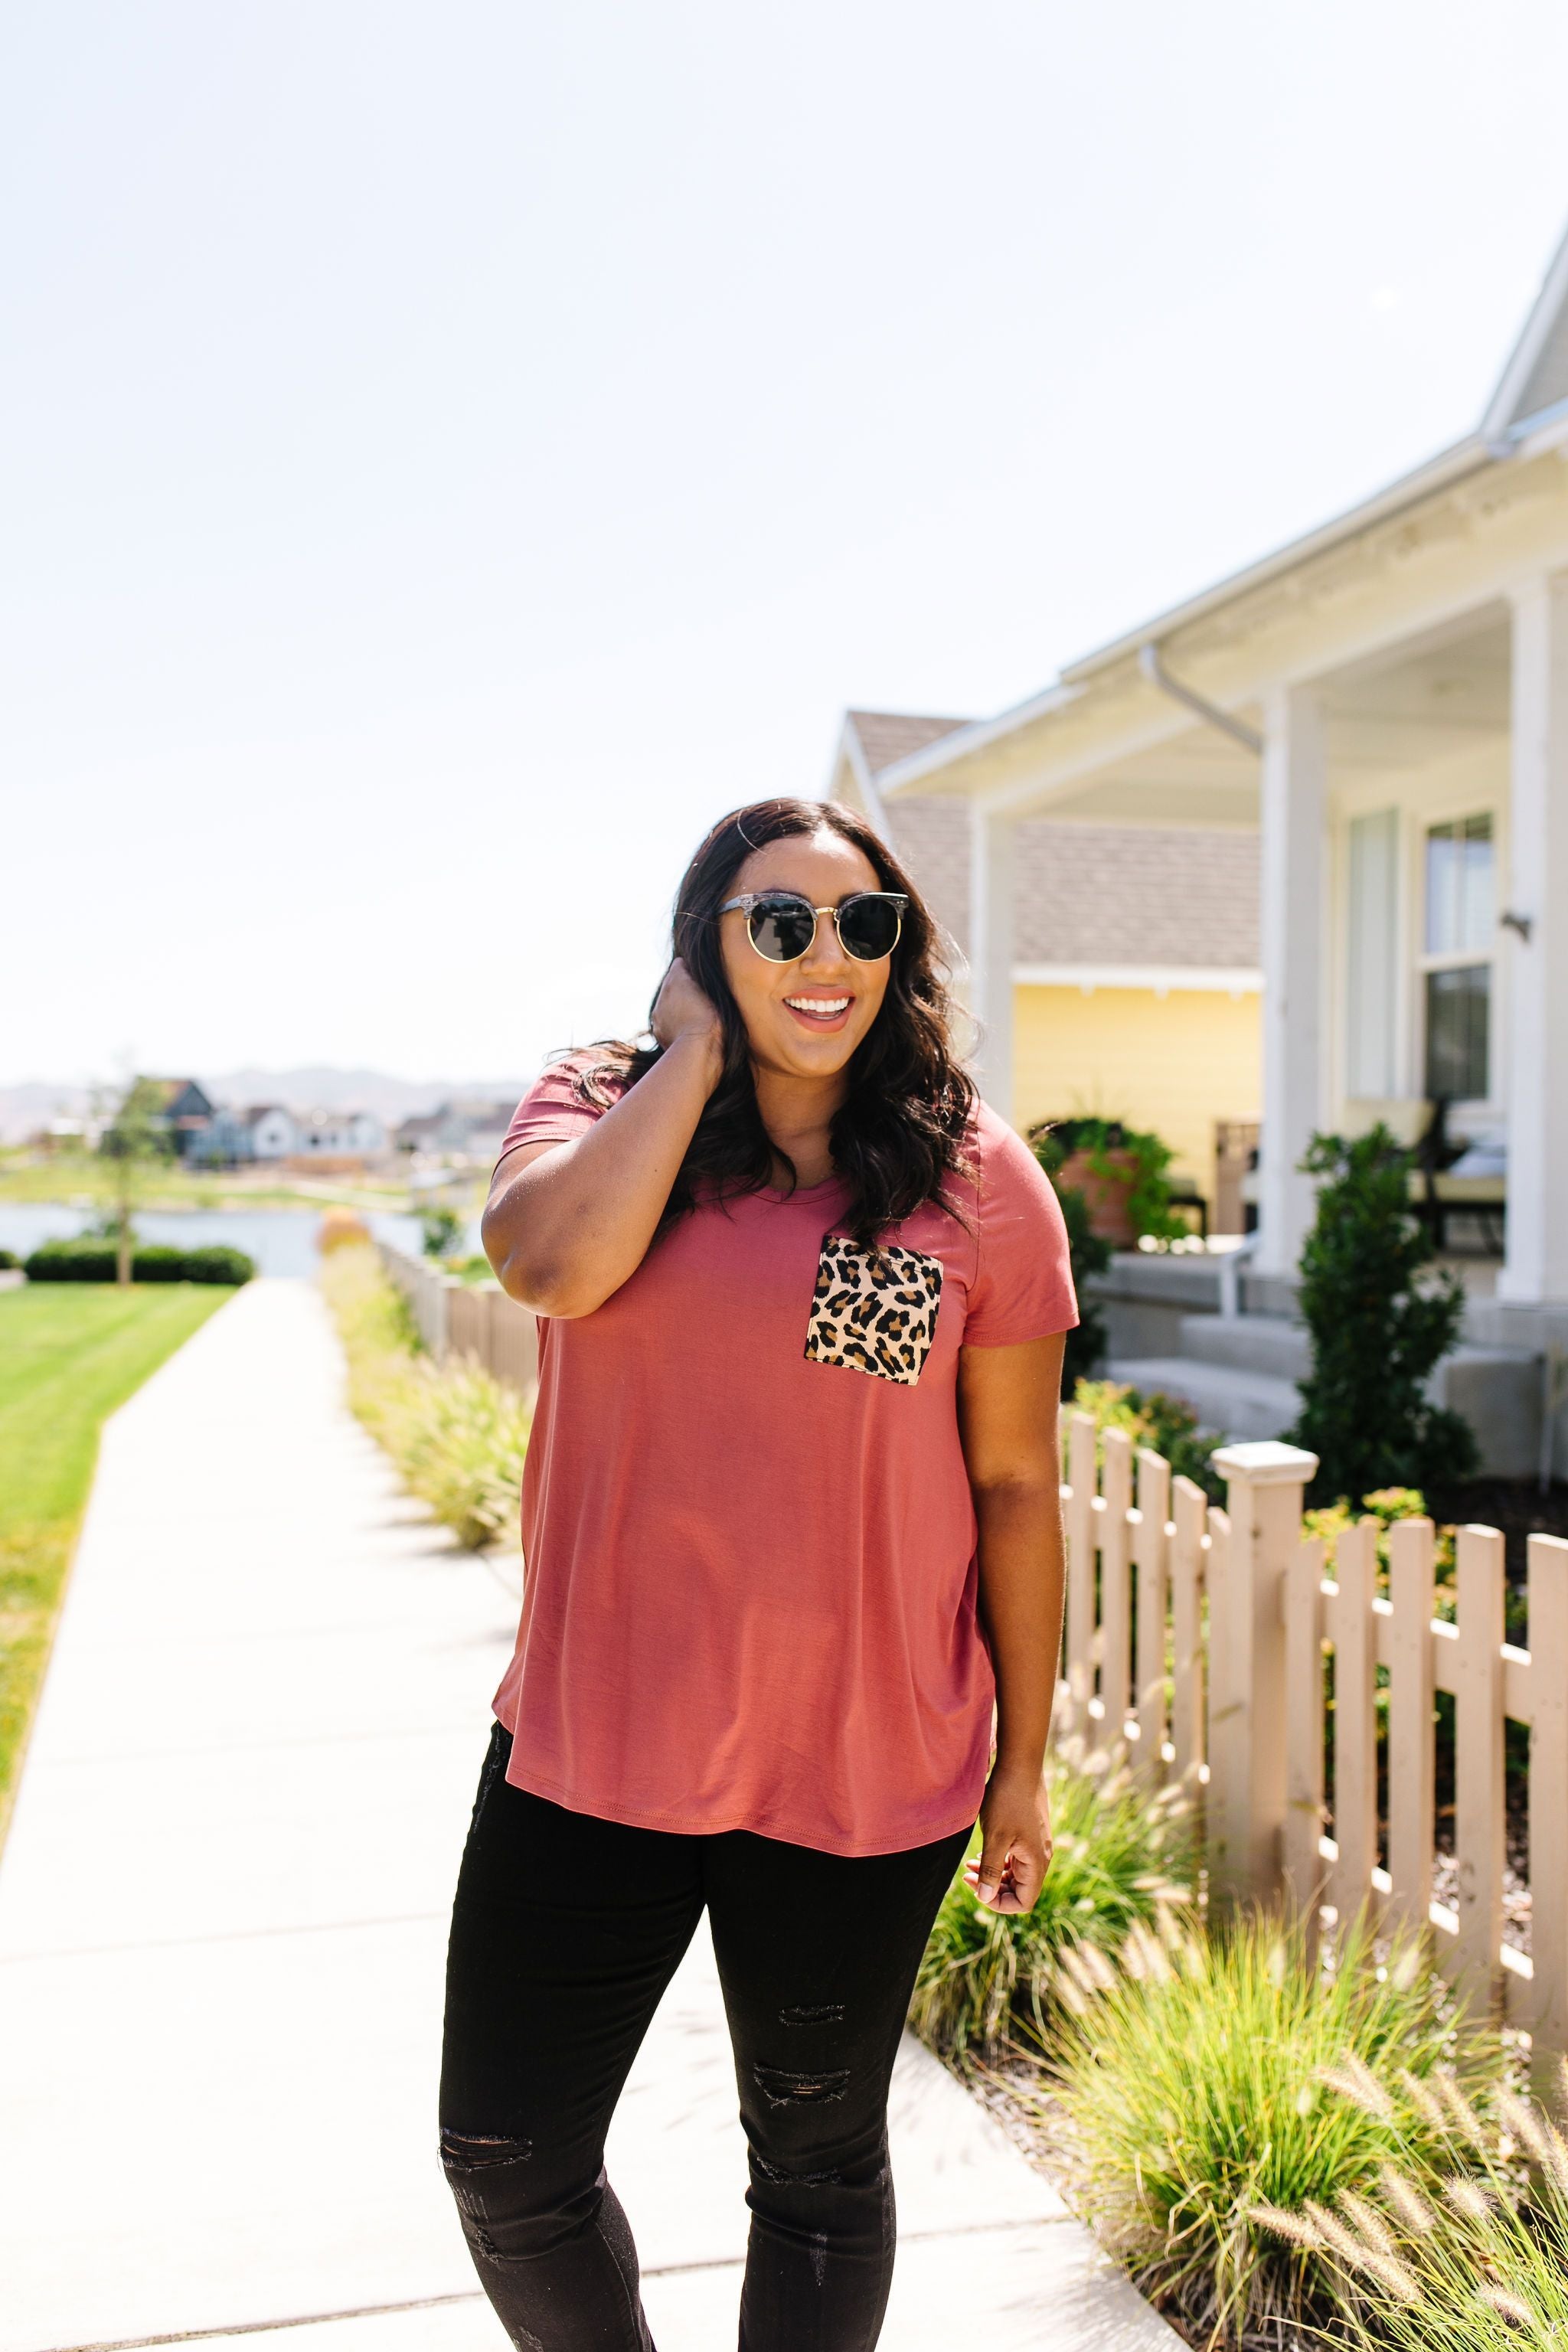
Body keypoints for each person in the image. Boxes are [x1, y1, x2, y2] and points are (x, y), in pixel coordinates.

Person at [440, 797, 1077, 2350]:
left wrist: (1025, 1771)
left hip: (857, 1768)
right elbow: (548, 1267)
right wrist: (692, 1064)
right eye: (774, 922)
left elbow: (1011, 1486)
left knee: (812, 2167)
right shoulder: (598, 1100)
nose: (823, 956)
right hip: (593, 1750)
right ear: (704, 947)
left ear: (897, 955)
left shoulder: (973, 1178)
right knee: (505, 2155)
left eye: (862, 926)